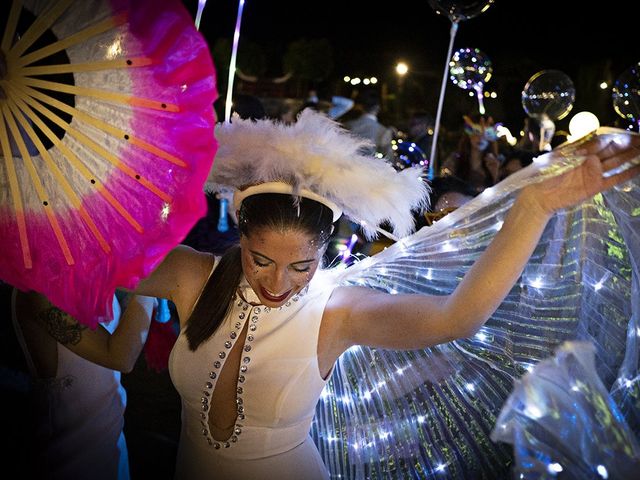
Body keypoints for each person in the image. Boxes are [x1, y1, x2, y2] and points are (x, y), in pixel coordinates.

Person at [125, 110, 639, 480]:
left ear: (323, 255)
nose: (278, 283)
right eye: (262, 261)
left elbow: (454, 318)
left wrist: (534, 206)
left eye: (301, 266)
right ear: (240, 235)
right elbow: (95, 263)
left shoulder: (336, 311)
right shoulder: (195, 276)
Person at [2, 284, 156, 480]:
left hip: (112, 439)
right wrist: (149, 282)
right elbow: (119, 357)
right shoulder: (38, 291)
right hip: (69, 456)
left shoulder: (87, 274)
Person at [441, 114, 503, 193]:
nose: (481, 137)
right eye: (477, 131)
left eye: (487, 133)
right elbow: (445, 185)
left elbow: (500, 194)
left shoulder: (495, 162)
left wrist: (495, 174)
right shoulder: (454, 160)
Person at [342, 90, 395, 158]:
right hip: (368, 167)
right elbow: (389, 158)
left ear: (361, 107)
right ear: (378, 108)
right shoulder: (383, 131)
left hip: (344, 165)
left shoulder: (348, 125)